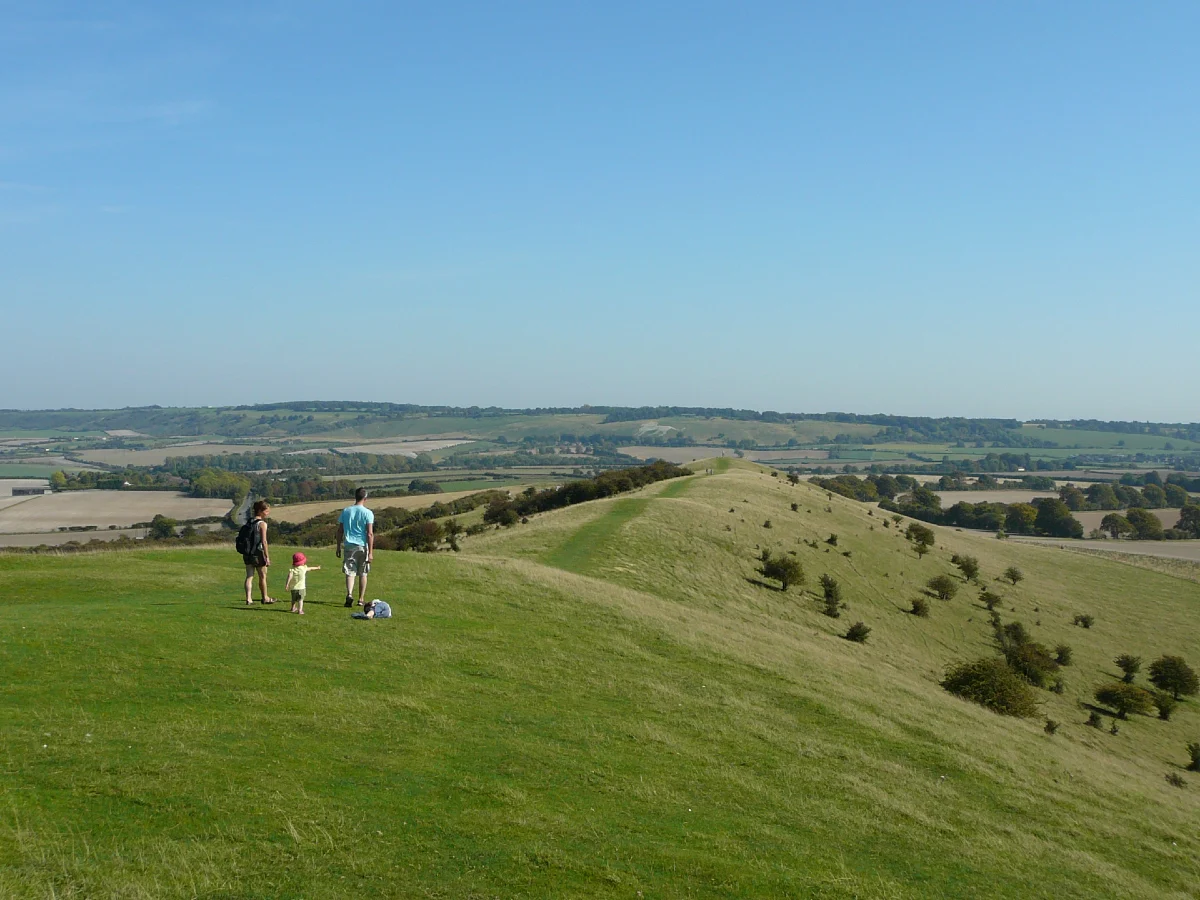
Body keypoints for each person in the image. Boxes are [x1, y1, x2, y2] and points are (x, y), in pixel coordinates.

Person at [336, 487, 374, 608]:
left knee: (350, 571)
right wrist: (371, 552)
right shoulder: (368, 513)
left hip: (348, 545)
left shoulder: (346, 511)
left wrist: (338, 546)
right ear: (365, 498)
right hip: (362, 546)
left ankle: (349, 594)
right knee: (363, 573)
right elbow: (369, 533)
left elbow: (340, 531)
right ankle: (361, 599)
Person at [242, 499, 274, 605]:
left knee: (249, 576)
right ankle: (265, 597)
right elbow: (264, 541)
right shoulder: (262, 524)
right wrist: (267, 557)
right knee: (262, 576)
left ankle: (248, 599)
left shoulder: (249, 522)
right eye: (266, 511)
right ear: (260, 511)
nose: (268, 513)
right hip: (258, 553)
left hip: (247, 553)